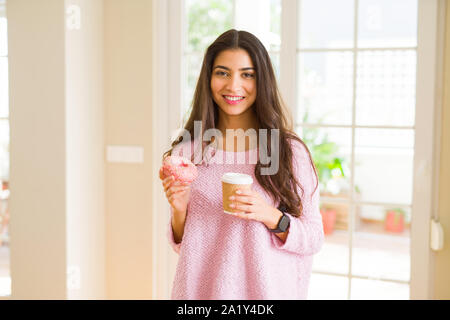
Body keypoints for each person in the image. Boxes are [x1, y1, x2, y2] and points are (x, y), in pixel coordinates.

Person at [159, 29, 324, 300]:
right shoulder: (187, 150)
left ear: (262, 81)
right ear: (208, 78)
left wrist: (269, 215)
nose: (233, 86)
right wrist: (179, 210)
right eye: (222, 72)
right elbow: (185, 244)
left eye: (247, 74)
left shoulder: (288, 152)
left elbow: (313, 237)